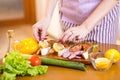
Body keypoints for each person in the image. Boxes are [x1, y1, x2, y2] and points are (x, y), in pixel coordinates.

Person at [33, 0, 120, 44]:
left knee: (99, 67)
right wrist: (46, 17)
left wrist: (86, 27)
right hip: (69, 16)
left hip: (101, 21)